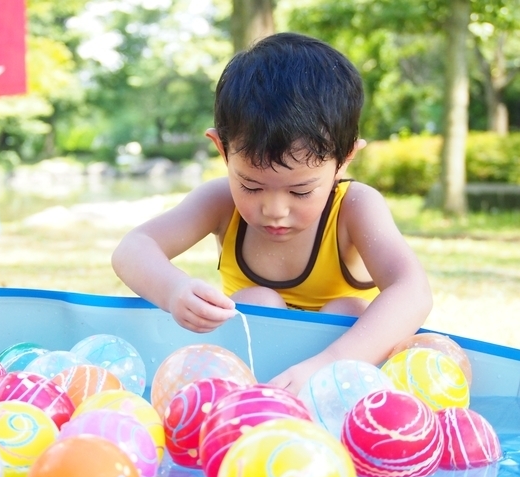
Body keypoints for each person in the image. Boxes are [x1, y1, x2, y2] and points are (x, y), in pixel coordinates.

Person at [111, 32, 433, 395]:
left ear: (344, 160)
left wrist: (328, 364)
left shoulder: (354, 208)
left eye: (300, 191)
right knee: (258, 301)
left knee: (349, 310)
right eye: (251, 186)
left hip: (338, 382)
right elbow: (133, 248)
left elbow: (413, 291)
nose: (274, 210)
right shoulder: (220, 201)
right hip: (252, 377)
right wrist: (173, 290)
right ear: (222, 149)